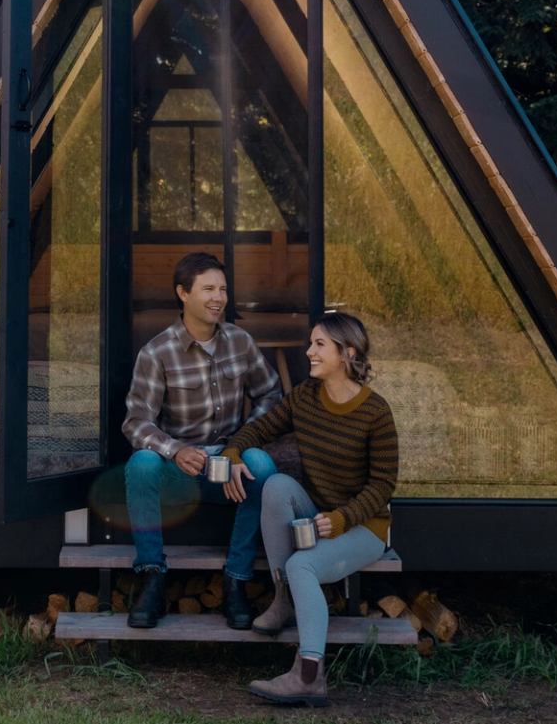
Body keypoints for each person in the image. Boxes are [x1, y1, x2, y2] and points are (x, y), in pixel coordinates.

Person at [220, 310, 398, 708]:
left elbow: (383, 485)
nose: (309, 351)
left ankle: (308, 676)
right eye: (311, 343)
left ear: (347, 352)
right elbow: (260, 430)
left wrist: (341, 519)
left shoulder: (376, 412)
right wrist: (233, 451)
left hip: (365, 527)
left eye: (319, 344)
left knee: (304, 565)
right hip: (321, 512)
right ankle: (284, 597)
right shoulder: (305, 397)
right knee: (277, 485)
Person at [120, 251, 284, 630]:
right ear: (183, 293)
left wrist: (241, 443)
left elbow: (271, 396)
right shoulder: (157, 352)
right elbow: (135, 422)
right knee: (140, 464)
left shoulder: (240, 342)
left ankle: (236, 581)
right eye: (208, 289)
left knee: (263, 466)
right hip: (178, 471)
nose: (218, 298)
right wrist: (174, 450)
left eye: (223, 289)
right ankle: (152, 577)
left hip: (229, 467)